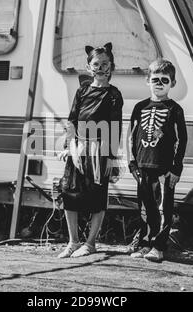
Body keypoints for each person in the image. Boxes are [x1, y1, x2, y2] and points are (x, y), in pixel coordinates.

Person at [57, 43, 124, 258]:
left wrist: (111, 158)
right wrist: (69, 147)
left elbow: (115, 127)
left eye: (105, 64)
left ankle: (91, 242)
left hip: (100, 150)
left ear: (111, 66)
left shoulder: (114, 94)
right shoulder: (82, 90)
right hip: (78, 149)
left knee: (97, 197)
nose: (101, 68)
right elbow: (72, 120)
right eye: (96, 64)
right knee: (69, 194)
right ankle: (73, 241)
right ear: (89, 67)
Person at [128, 59, 187, 262]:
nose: (159, 83)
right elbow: (131, 136)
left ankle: (159, 247)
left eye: (165, 80)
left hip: (164, 169)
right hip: (142, 167)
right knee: (145, 208)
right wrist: (132, 162)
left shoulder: (175, 110)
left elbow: (181, 139)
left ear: (172, 83)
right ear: (148, 81)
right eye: (155, 79)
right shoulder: (139, 107)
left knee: (163, 209)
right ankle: (145, 243)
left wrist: (176, 168)